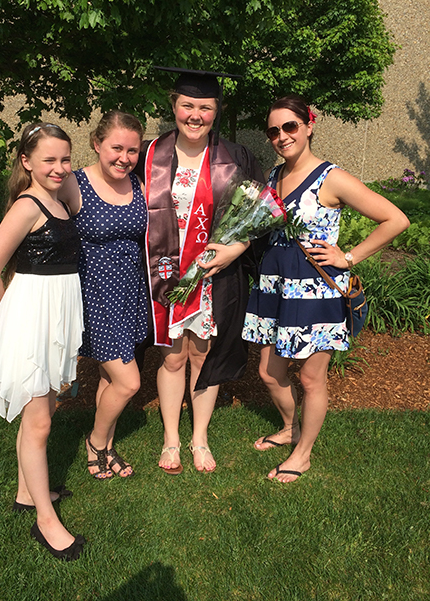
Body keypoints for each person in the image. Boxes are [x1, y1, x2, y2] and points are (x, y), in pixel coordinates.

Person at [243, 95, 410, 482]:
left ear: (308, 126)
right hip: (276, 286)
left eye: (290, 127)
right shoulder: (273, 177)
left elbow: (395, 219)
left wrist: (348, 256)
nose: (281, 136)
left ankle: (302, 455)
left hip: (316, 290)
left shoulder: (331, 178)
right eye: (273, 131)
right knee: (270, 372)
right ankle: (290, 428)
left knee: (311, 378)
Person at [137, 68, 264, 474]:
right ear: (173, 106)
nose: (195, 114)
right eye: (187, 105)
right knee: (172, 358)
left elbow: (258, 215)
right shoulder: (146, 154)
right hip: (166, 276)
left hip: (213, 278)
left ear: (216, 111)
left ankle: (200, 438)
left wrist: (235, 250)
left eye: (204, 107)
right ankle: (172, 439)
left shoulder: (237, 157)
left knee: (204, 355)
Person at [0, 122, 85, 561]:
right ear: (26, 162)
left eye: (65, 158)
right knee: (39, 422)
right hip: (30, 319)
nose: (59, 167)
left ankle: (26, 493)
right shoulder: (28, 206)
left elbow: (79, 178)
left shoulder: (58, 198)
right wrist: (15, 316)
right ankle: (45, 520)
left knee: (43, 412)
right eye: (48, 160)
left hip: (55, 317)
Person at [60, 111, 148, 479]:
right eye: (116, 148)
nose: (124, 158)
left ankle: (108, 447)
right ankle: (96, 442)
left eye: (132, 150)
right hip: (95, 296)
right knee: (129, 382)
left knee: (111, 379)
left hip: (130, 292)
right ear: (97, 144)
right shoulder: (73, 184)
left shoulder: (139, 184)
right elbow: (34, 209)